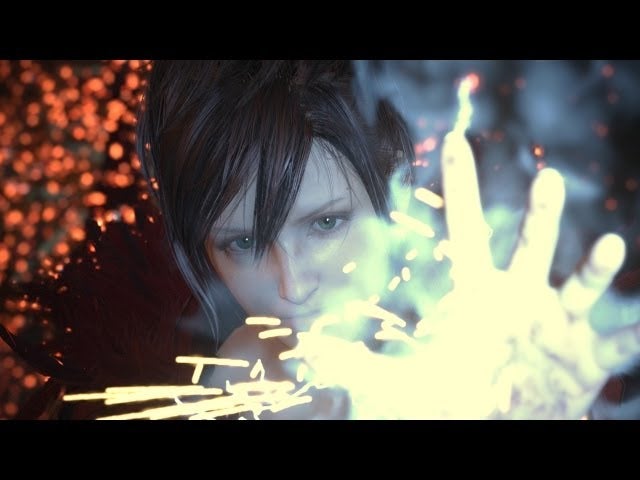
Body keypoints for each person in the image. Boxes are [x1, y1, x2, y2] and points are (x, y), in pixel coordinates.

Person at [133, 60, 640, 419]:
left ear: (397, 185)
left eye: (326, 224)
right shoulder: (237, 378)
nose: (292, 287)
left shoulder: (489, 358)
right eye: (243, 244)